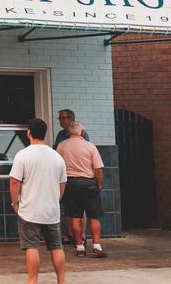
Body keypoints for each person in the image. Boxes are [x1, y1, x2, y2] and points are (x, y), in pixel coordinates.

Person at [10, 118, 67, 284]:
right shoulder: (57, 157)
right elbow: (62, 184)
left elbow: (14, 182)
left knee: (31, 247)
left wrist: (15, 203)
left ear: (29, 133)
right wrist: (56, 200)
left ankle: (32, 280)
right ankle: (61, 281)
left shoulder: (23, 155)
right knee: (56, 247)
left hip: (30, 211)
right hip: (51, 212)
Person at [57, 121, 107, 258]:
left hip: (70, 184)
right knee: (94, 216)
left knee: (75, 217)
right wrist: (99, 184)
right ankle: (96, 245)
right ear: (82, 132)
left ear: (68, 133)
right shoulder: (90, 146)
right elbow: (98, 169)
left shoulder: (61, 146)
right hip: (88, 183)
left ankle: (79, 246)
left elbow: (57, 167)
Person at [54, 109, 89, 246]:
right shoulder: (60, 135)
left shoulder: (82, 134)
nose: (61, 121)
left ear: (70, 119)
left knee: (80, 209)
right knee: (68, 207)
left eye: (63, 118)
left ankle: (82, 236)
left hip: (80, 175)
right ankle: (70, 234)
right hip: (65, 175)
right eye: (60, 118)